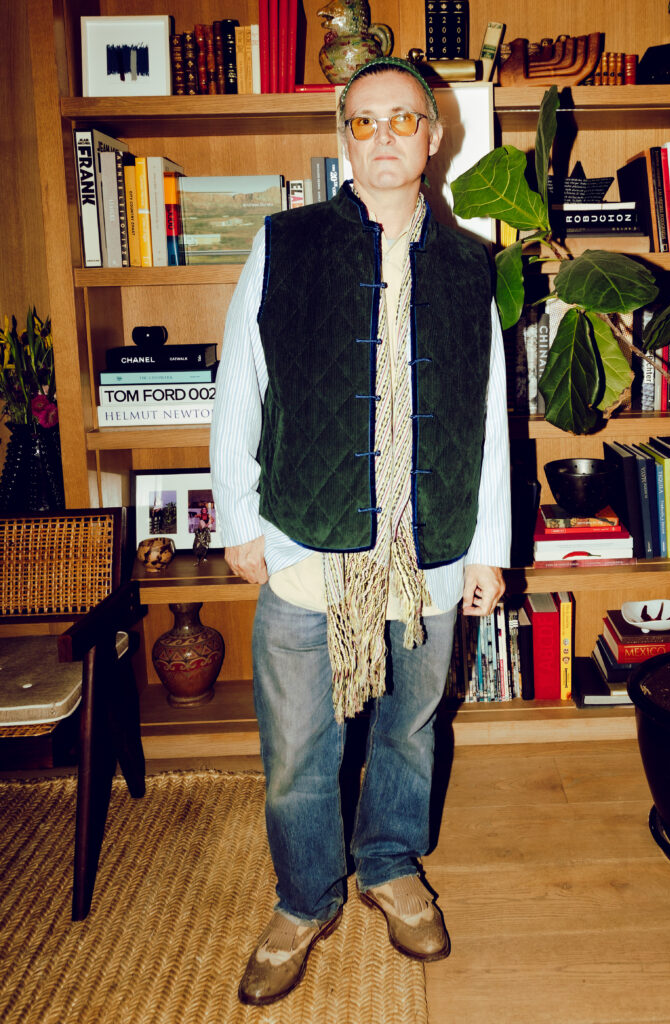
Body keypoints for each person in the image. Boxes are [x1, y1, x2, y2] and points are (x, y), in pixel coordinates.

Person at [211, 55, 511, 1007]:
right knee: (298, 746)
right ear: (344, 137)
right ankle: (304, 897)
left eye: (403, 119)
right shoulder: (286, 242)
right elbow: (239, 383)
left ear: (434, 136)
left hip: (428, 548)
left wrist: (489, 547)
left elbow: (489, 416)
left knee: (409, 728)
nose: (384, 136)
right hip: (307, 541)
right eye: (365, 121)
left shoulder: (470, 266)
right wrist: (238, 517)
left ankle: (388, 862)